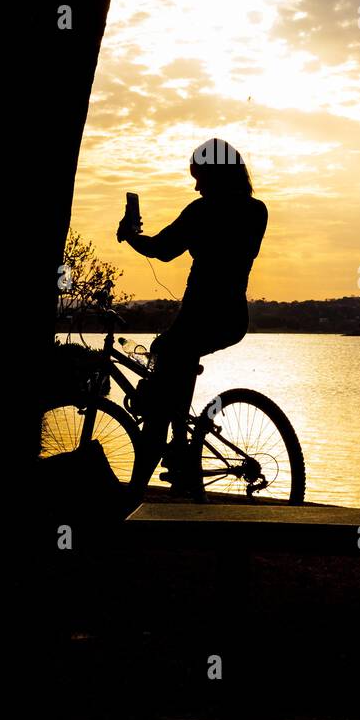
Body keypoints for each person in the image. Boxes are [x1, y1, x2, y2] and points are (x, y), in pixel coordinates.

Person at [116, 138, 267, 497]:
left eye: (199, 177)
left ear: (215, 175)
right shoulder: (256, 210)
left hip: (201, 313)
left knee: (163, 383)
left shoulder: (203, 211)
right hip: (232, 318)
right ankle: (180, 446)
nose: (196, 185)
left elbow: (163, 250)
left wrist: (131, 237)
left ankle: (148, 479)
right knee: (172, 358)